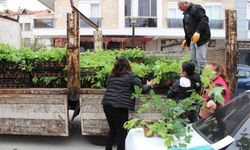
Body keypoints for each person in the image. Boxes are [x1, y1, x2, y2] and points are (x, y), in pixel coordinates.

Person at [102, 56, 155, 150]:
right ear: (127, 64)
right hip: (119, 107)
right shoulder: (131, 76)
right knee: (122, 132)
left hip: (107, 104)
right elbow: (142, 89)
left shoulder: (112, 75)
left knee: (113, 130)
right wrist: (149, 85)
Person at [178, 0, 211, 73]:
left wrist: (198, 32)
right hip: (193, 39)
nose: (179, 9)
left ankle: (203, 79)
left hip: (201, 38)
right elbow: (188, 28)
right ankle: (194, 77)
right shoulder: (186, 14)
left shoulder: (196, 8)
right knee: (192, 60)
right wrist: (187, 39)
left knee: (201, 60)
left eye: (180, 7)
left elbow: (204, 20)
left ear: (186, 3)